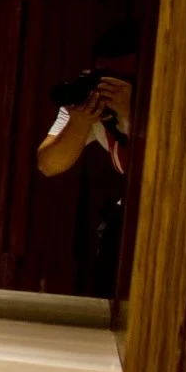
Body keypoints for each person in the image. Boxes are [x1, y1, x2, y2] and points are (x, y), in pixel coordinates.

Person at [37, 20, 140, 297]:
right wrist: (80, 122)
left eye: (119, 80)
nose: (108, 88)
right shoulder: (91, 96)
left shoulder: (166, 100)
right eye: (103, 76)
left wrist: (132, 114)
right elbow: (48, 164)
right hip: (132, 215)